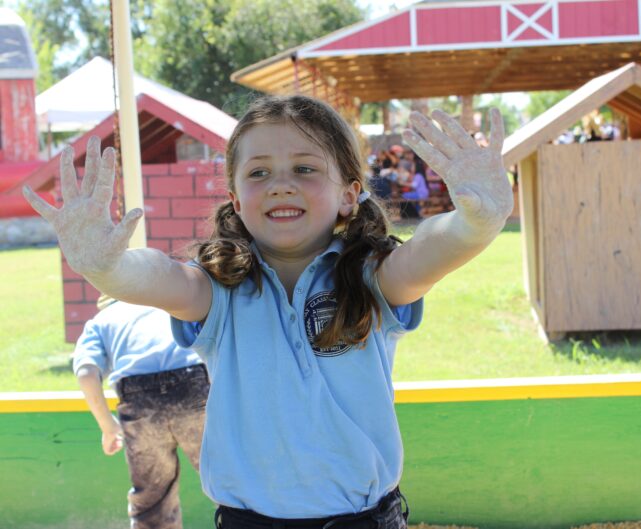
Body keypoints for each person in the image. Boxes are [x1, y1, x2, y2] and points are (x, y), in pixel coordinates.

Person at [25, 95, 513, 529]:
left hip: (365, 520)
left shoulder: (372, 278)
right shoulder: (219, 290)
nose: (280, 185)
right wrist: (106, 268)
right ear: (236, 201)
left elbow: (429, 251)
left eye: (304, 169)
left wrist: (475, 222)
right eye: (259, 172)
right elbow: (159, 277)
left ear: (349, 195)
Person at [73, 296, 210, 529]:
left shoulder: (101, 321)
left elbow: (86, 373)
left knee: (152, 500)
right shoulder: (167, 304)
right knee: (229, 482)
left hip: (138, 398)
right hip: (192, 383)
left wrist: (108, 427)